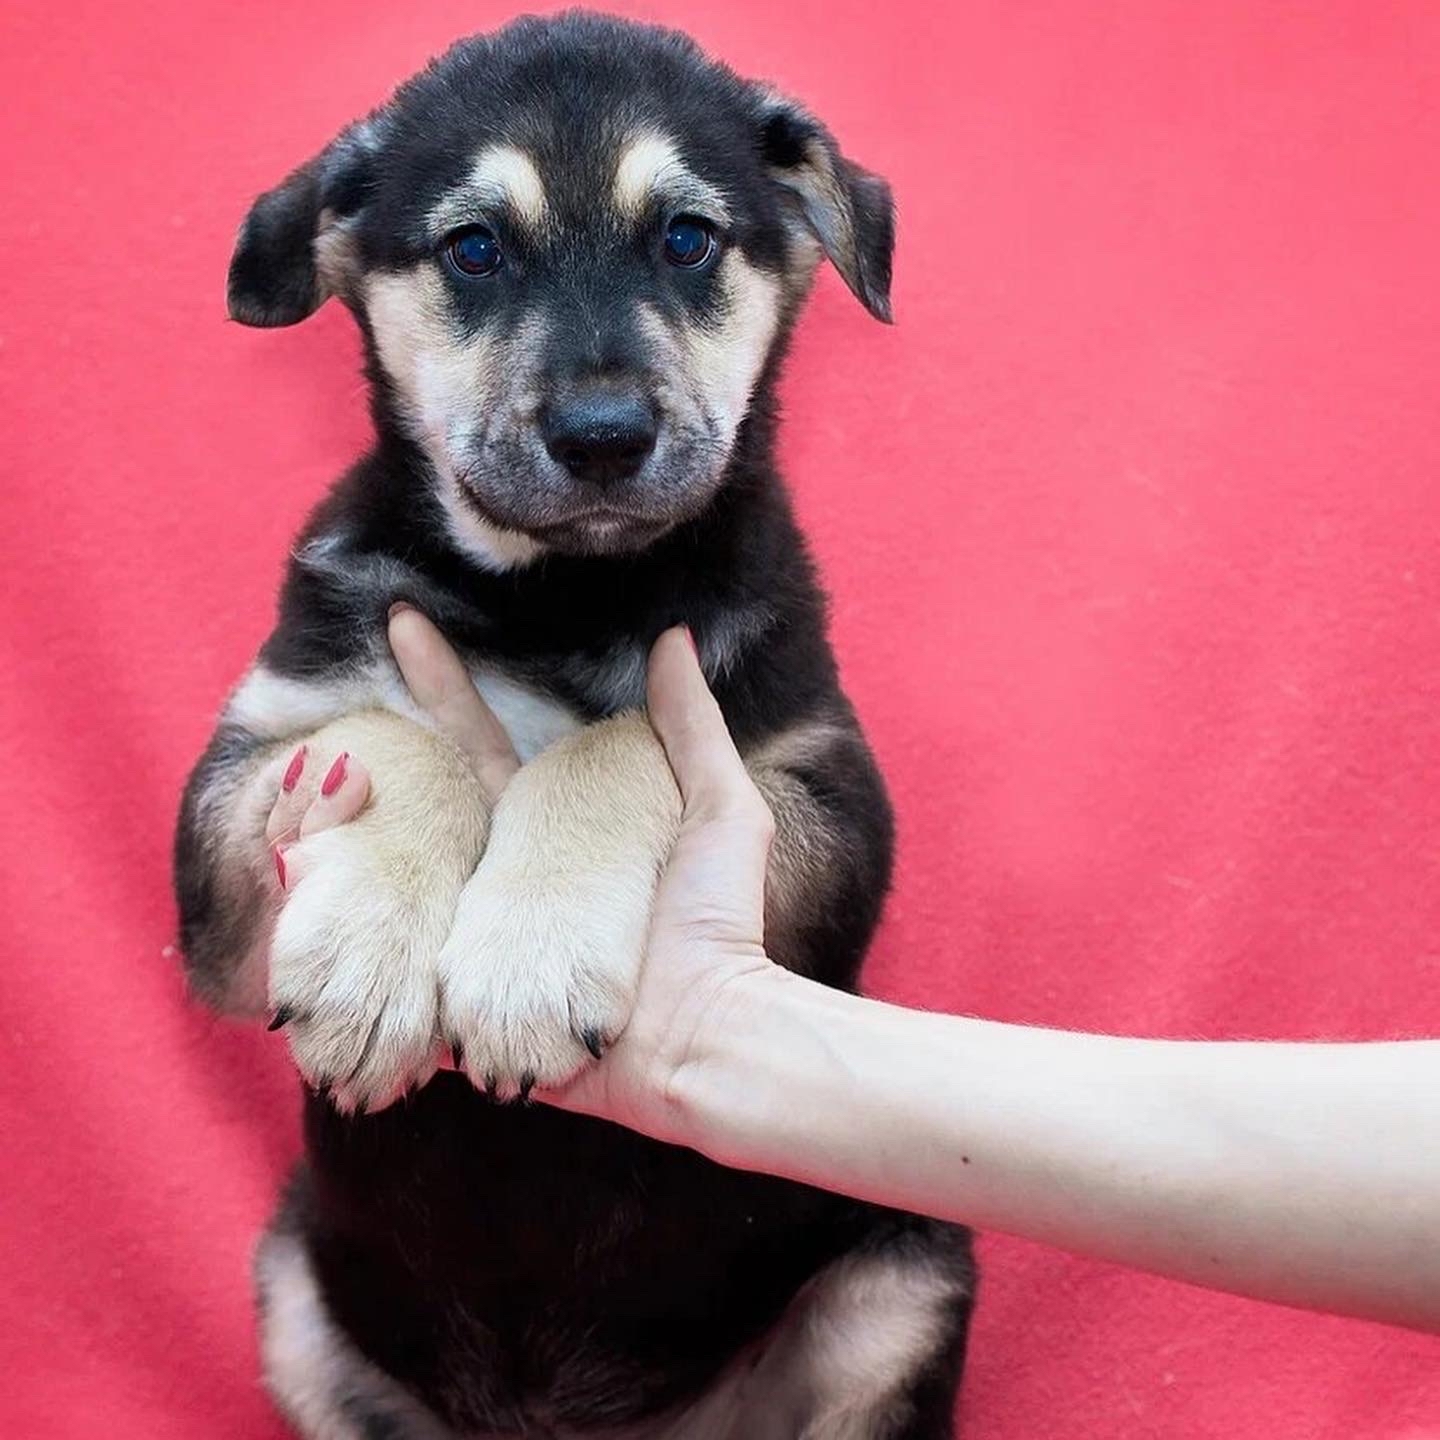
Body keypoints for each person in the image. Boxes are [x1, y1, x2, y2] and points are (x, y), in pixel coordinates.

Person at [264, 607, 1440, 1337]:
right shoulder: (356, 571)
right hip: (398, 1345)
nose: (599, 395)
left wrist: (630, 802)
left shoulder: (748, 601)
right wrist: (391, 811)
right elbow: (228, 938)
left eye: (686, 245)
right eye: (476, 254)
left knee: (898, 1280)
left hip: (749, 1336)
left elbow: (829, 867)